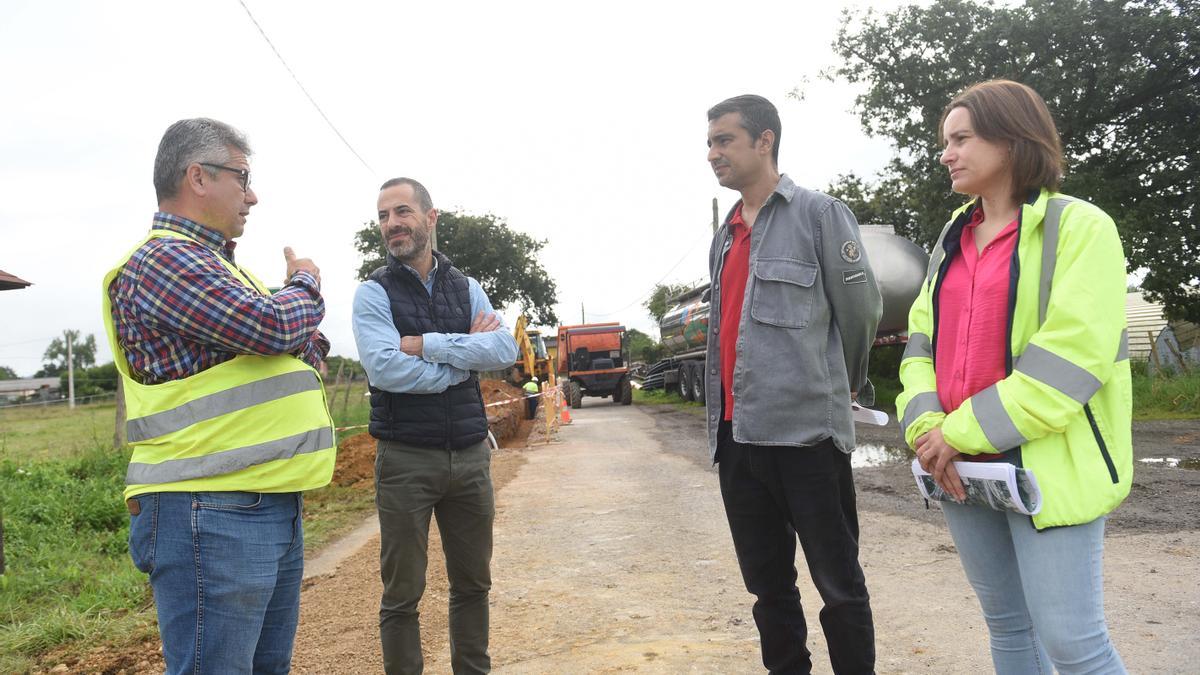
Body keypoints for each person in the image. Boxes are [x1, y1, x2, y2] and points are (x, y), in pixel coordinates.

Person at [895, 80, 1131, 674]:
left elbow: (1069, 360)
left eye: (962, 138)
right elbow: (919, 346)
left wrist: (955, 434)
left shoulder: (1081, 227)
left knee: (1075, 645)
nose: (946, 153)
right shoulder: (951, 238)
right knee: (1008, 631)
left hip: (1048, 464)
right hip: (959, 464)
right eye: (945, 141)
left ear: (1012, 138)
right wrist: (929, 432)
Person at [102, 118, 336, 675]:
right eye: (242, 176)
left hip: (254, 504)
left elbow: (308, 346)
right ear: (198, 177)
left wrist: (291, 318)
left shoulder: (221, 268)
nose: (252, 195)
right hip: (208, 509)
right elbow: (278, 329)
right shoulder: (165, 260)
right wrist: (304, 283)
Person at [703, 94, 883, 674]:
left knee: (839, 585)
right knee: (768, 590)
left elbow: (860, 314)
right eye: (709, 143)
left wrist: (839, 388)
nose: (712, 154)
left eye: (724, 140)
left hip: (807, 436)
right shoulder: (726, 233)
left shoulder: (820, 215)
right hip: (737, 437)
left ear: (765, 141)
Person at [352, 177, 518, 674]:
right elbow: (385, 369)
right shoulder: (372, 294)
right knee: (402, 594)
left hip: (469, 458)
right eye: (383, 216)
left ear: (430, 217)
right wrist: (464, 358)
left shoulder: (467, 287)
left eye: (401, 212)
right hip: (405, 459)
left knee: (473, 585)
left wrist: (427, 344)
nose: (391, 225)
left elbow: (504, 349)